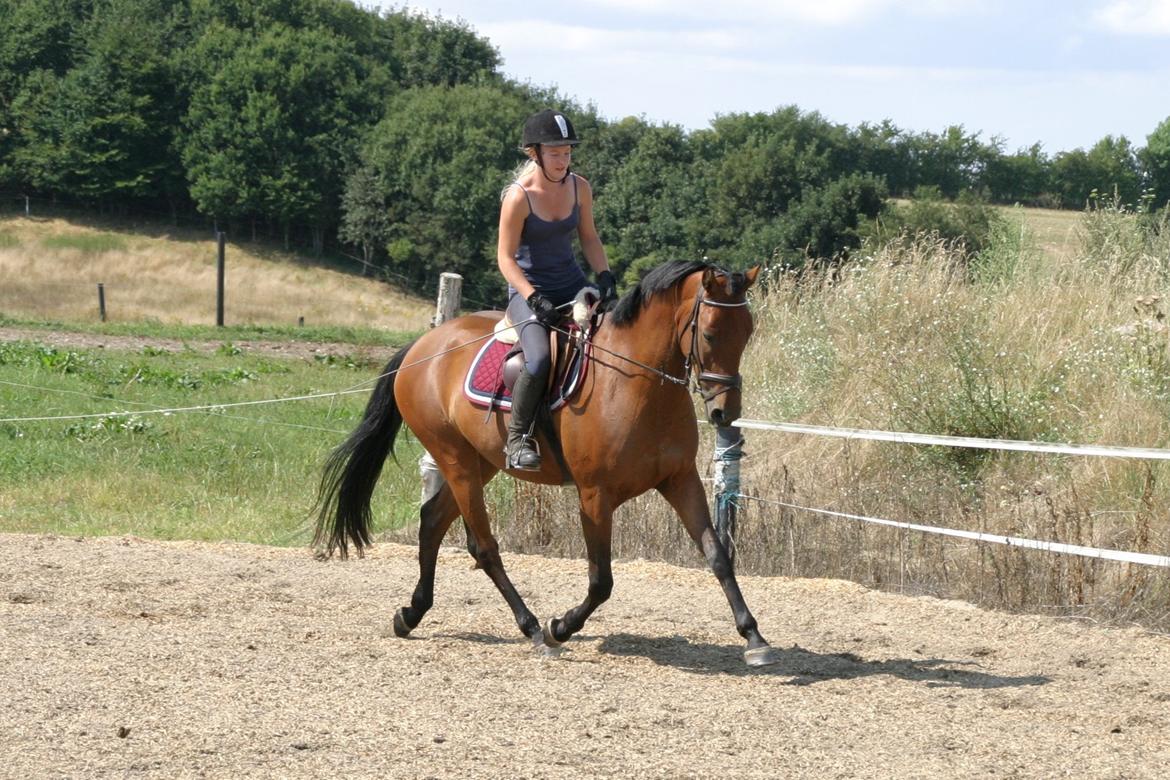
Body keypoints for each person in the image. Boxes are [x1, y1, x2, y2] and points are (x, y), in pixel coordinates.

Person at [496, 108, 617, 470]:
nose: (563, 160)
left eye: (567, 153)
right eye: (554, 153)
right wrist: (533, 297)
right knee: (540, 358)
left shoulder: (580, 187)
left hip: (573, 286)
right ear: (534, 153)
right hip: (528, 292)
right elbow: (504, 259)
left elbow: (590, 238)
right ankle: (517, 440)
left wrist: (606, 275)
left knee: (618, 336)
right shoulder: (519, 197)